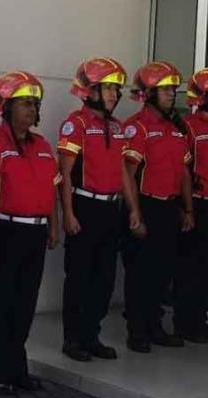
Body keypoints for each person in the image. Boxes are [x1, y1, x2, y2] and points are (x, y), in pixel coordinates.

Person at [0, 71, 59, 395]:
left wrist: (53, 227)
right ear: (5, 107)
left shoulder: (44, 145)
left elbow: (51, 190)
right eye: (24, 104)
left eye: (35, 104)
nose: (32, 110)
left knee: (23, 305)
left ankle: (16, 368)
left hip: (33, 234)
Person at [121, 61, 193, 353]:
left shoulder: (177, 128)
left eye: (173, 90)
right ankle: (137, 331)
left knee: (163, 273)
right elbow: (127, 173)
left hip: (169, 208)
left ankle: (155, 326)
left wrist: (187, 209)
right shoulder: (136, 128)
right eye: (164, 91)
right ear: (148, 94)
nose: (171, 95)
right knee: (140, 273)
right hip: (145, 205)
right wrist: (134, 212)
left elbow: (185, 172)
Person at [58, 57, 127, 362]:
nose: (113, 94)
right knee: (79, 276)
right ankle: (73, 339)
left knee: (104, 277)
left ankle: (92, 335)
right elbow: (64, 173)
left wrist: (133, 208)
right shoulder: (77, 123)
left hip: (112, 210)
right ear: (90, 91)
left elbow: (124, 171)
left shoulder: (117, 126)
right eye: (107, 88)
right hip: (85, 207)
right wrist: (68, 214)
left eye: (115, 89)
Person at [173, 67, 208, 343]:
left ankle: (200, 320)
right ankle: (185, 322)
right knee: (190, 266)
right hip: (198, 205)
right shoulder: (187, 127)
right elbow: (182, 172)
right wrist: (186, 208)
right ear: (202, 97)